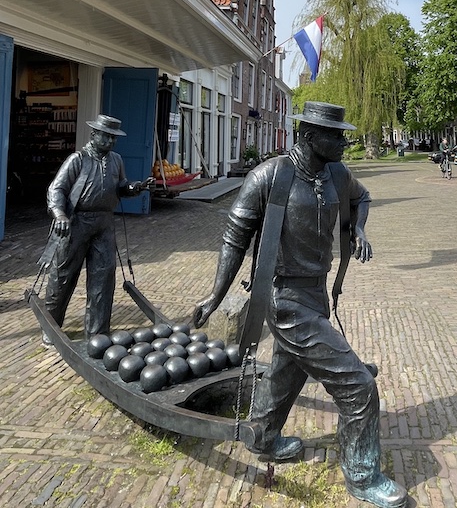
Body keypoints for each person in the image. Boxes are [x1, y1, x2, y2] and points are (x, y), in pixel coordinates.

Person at [191, 101, 407, 508]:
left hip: (316, 293)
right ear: (310, 137)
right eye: (336, 134)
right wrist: (214, 297)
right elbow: (234, 239)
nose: (345, 140)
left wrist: (357, 228)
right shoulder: (270, 176)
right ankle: (362, 475)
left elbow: (363, 198)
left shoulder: (337, 174)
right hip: (284, 298)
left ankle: (265, 435)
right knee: (358, 385)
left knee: (286, 372)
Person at [39, 114, 154, 346]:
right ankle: (50, 328)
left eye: (114, 138)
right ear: (94, 135)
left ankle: (97, 333)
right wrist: (59, 214)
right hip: (76, 223)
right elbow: (56, 190)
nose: (111, 142)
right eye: (107, 137)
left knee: (103, 278)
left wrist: (135, 188)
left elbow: (121, 186)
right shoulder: (77, 160)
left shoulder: (116, 160)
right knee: (62, 277)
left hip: (104, 224)